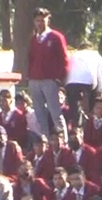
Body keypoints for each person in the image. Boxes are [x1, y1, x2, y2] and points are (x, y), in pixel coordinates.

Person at [27, 8, 70, 138]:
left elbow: (64, 59)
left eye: (42, 20)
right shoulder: (34, 39)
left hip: (50, 80)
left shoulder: (56, 37)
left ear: (48, 20)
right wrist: (29, 76)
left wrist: (59, 77)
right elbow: (30, 59)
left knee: (55, 112)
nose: (40, 23)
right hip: (34, 80)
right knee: (39, 113)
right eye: (37, 20)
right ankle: (44, 140)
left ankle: (63, 140)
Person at [64, 47, 102, 131]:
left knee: (74, 107)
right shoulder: (96, 55)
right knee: (91, 102)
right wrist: (100, 95)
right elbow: (101, 77)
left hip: (71, 82)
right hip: (88, 82)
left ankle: (76, 126)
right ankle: (91, 120)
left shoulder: (73, 55)